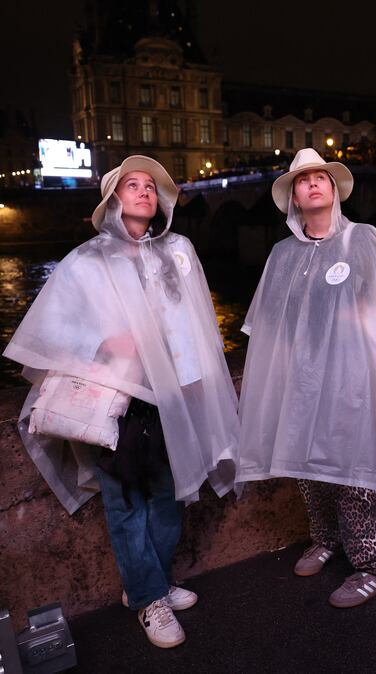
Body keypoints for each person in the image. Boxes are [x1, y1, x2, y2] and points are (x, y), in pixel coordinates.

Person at [3, 156, 239, 649]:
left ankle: (149, 583)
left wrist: (194, 377)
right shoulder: (87, 260)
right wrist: (107, 343)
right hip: (115, 397)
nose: (144, 192)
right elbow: (53, 326)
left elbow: (194, 320)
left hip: (171, 395)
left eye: (151, 187)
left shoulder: (177, 251)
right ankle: (150, 597)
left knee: (168, 495)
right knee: (126, 500)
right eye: (132, 185)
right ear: (113, 201)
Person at [236, 149, 376, 608]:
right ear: (294, 199)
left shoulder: (361, 239)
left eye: (321, 177)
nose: (313, 184)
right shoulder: (283, 254)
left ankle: (373, 563)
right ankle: (326, 538)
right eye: (303, 181)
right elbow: (270, 324)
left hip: (351, 378)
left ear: (334, 190)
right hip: (302, 379)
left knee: (353, 470)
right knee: (308, 467)